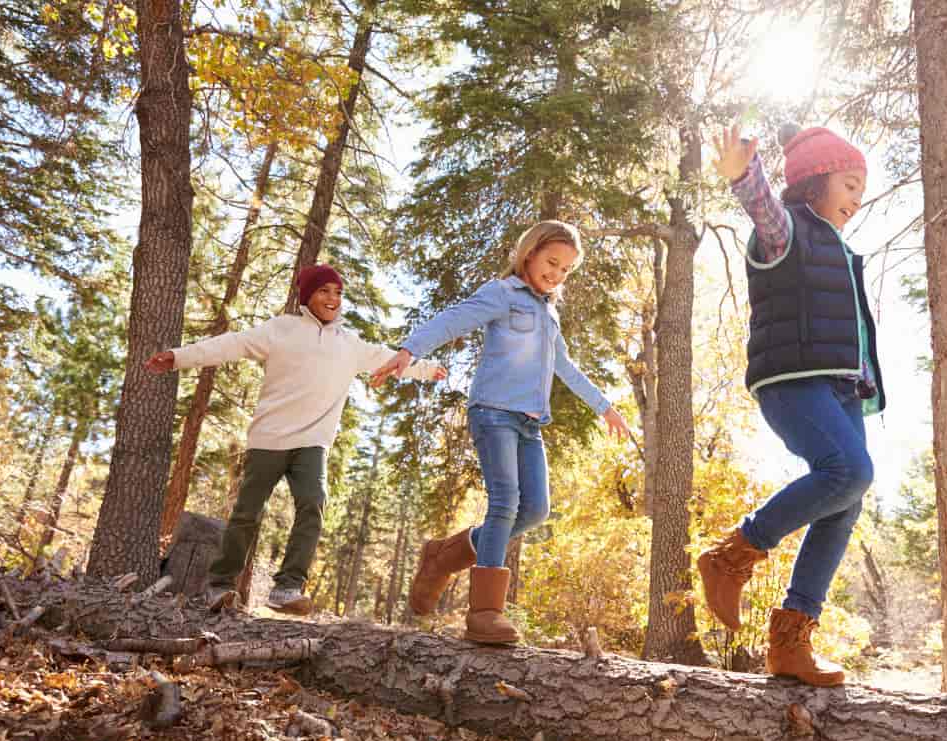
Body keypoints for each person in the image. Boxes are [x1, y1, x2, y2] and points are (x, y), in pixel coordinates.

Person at [372, 220, 631, 644]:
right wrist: (408, 350)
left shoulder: (549, 314)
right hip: (493, 412)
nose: (557, 274)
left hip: (530, 423)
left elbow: (564, 366)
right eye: (552, 263)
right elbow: (453, 320)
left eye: (566, 269)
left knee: (536, 510)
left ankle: (443, 556)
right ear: (528, 253)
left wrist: (605, 407)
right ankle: (485, 612)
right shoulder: (502, 294)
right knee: (505, 502)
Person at [698, 123, 887, 685]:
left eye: (861, 189)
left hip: (841, 387)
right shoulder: (788, 232)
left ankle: (790, 642)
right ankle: (731, 556)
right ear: (813, 183)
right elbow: (762, 209)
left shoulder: (841, 248)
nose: (857, 198)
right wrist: (744, 175)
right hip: (792, 381)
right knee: (849, 470)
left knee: (846, 500)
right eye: (849, 185)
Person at [146, 264, 445, 615]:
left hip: (313, 442)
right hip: (269, 438)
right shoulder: (281, 330)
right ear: (307, 296)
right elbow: (231, 344)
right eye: (324, 291)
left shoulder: (350, 344)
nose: (332, 299)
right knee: (246, 514)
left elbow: (390, 359)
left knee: (313, 502)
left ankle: (287, 587)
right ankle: (220, 586)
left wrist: (427, 369)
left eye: (337, 292)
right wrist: (179, 357)